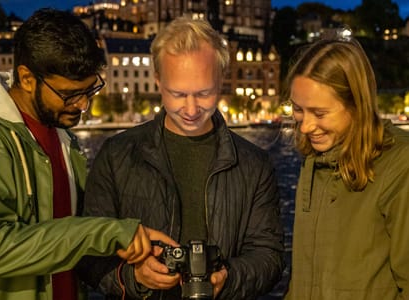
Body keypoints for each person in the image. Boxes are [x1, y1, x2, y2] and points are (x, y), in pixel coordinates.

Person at [0, 8, 175, 300]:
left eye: (90, 90)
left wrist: (133, 258)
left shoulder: (64, 138)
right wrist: (106, 233)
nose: (83, 105)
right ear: (26, 78)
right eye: (70, 94)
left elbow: (74, 237)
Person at [76, 16, 285, 299]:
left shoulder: (255, 164)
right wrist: (134, 276)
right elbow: (88, 254)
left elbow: (269, 257)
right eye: (178, 94)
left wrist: (228, 278)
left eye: (204, 93)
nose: (190, 109)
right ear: (158, 81)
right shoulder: (115, 155)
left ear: (221, 79)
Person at [283, 29, 409, 300]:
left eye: (319, 113)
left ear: (356, 105)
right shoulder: (315, 160)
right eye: (298, 109)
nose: (306, 125)